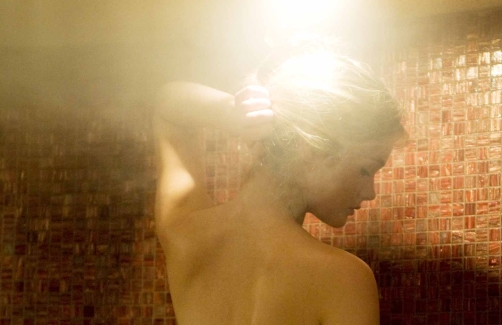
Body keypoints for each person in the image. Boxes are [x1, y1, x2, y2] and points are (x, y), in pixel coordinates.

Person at [153, 37, 406, 324]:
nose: (371, 192)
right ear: (312, 148)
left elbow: (167, 107)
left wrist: (228, 112)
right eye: (366, 169)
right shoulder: (343, 279)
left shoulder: (185, 234)